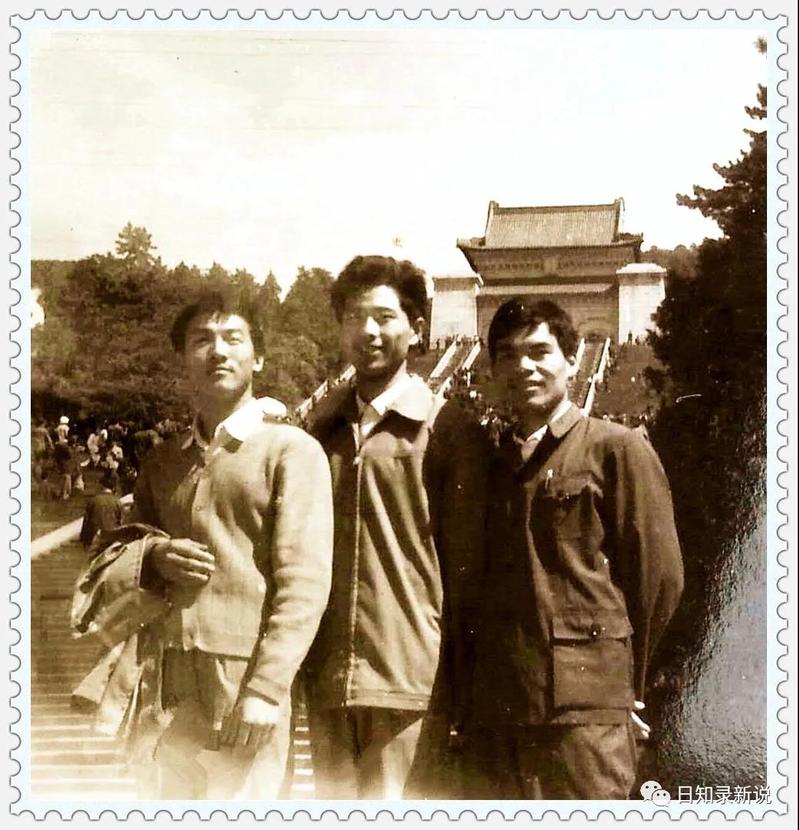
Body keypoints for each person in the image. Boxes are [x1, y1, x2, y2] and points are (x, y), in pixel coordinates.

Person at [71, 290, 334, 799]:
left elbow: (305, 583)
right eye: (201, 340)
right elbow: (120, 552)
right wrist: (155, 557)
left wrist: (267, 688)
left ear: (259, 356)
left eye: (233, 338)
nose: (218, 351)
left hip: (243, 679)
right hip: (163, 680)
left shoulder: (291, 451)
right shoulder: (164, 460)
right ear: (183, 359)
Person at [467, 297, 683, 800]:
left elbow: (660, 579)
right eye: (507, 355)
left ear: (572, 358)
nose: (524, 367)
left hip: (587, 712)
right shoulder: (491, 464)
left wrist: (625, 681)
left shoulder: (616, 448)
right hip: (503, 709)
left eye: (539, 351)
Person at [303, 254, 487, 799]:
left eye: (384, 317)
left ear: (417, 327)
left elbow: (468, 569)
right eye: (354, 318)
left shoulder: (448, 429)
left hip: (410, 680)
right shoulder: (319, 431)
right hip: (328, 677)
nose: (368, 332)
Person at [79, 469, 124, 549]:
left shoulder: (93, 501)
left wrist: (83, 539)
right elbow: (121, 522)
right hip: (112, 536)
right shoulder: (117, 502)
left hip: (96, 536)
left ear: (101, 486)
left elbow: (86, 522)